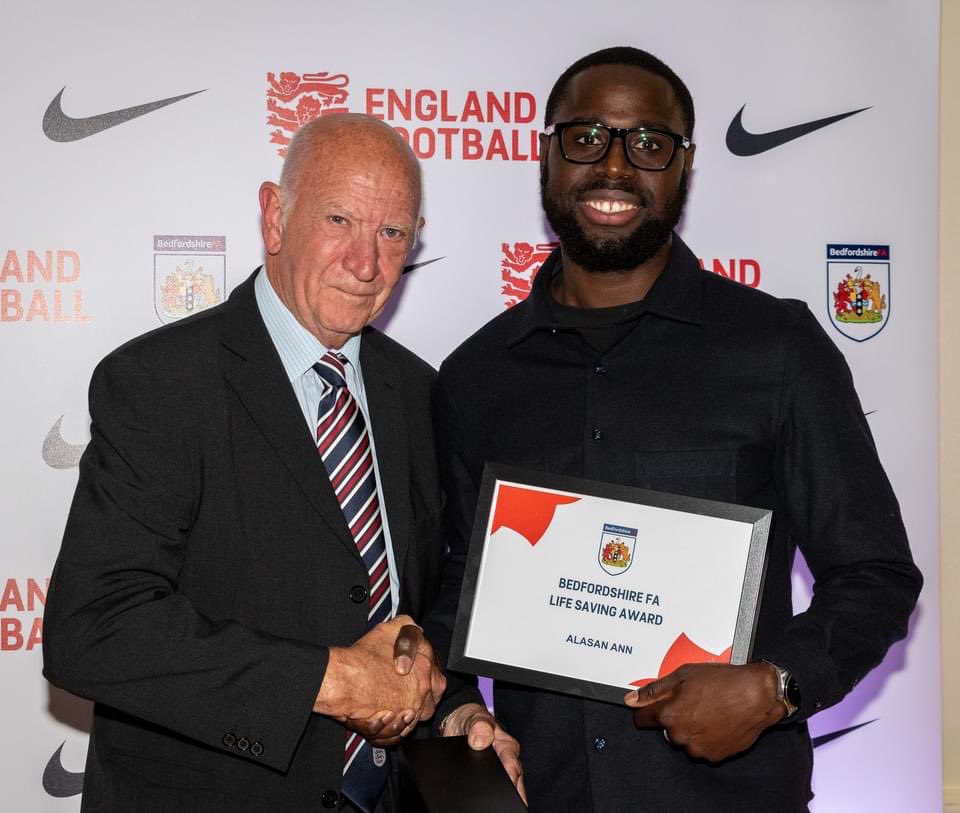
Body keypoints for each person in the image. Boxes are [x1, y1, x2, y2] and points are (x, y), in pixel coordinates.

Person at [430, 47, 922, 811]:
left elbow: (876, 575)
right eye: (586, 137)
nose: (615, 166)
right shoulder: (475, 377)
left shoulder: (777, 349)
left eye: (648, 143)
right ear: (546, 155)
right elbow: (452, 594)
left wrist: (774, 686)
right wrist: (461, 709)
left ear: (686, 166)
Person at [43, 114, 521, 813]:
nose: (367, 262)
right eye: (339, 220)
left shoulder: (419, 391)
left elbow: (413, 610)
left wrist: (454, 710)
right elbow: (93, 630)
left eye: (393, 233)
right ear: (275, 216)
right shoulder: (160, 382)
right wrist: (331, 680)